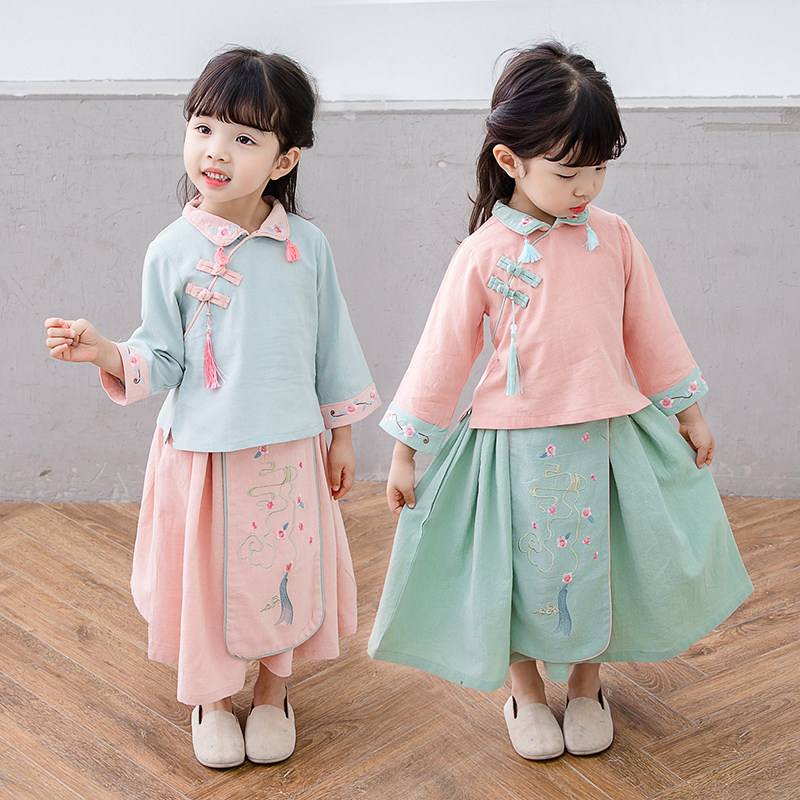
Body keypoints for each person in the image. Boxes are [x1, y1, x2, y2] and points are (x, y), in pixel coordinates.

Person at [367, 41, 751, 761]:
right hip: (511, 447)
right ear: (510, 161)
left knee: (598, 565)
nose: (587, 188)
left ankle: (586, 684)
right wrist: (405, 449)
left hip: (607, 435)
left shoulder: (615, 238)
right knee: (519, 571)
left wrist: (688, 411)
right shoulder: (483, 253)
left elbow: (652, 331)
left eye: (599, 169)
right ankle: (524, 689)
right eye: (569, 172)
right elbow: (441, 353)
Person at [44, 47, 380, 769]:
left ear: (285, 160)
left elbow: (333, 346)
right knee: (212, 580)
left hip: (289, 450)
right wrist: (106, 352)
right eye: (203, 128)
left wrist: (343, 435)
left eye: (244, 138)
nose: (216, 151)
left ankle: (273, 692)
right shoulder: (171, 250)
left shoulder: (306, 248)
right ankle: (212, 698)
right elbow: (161, 358)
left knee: (281, 573)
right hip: (203, 455)